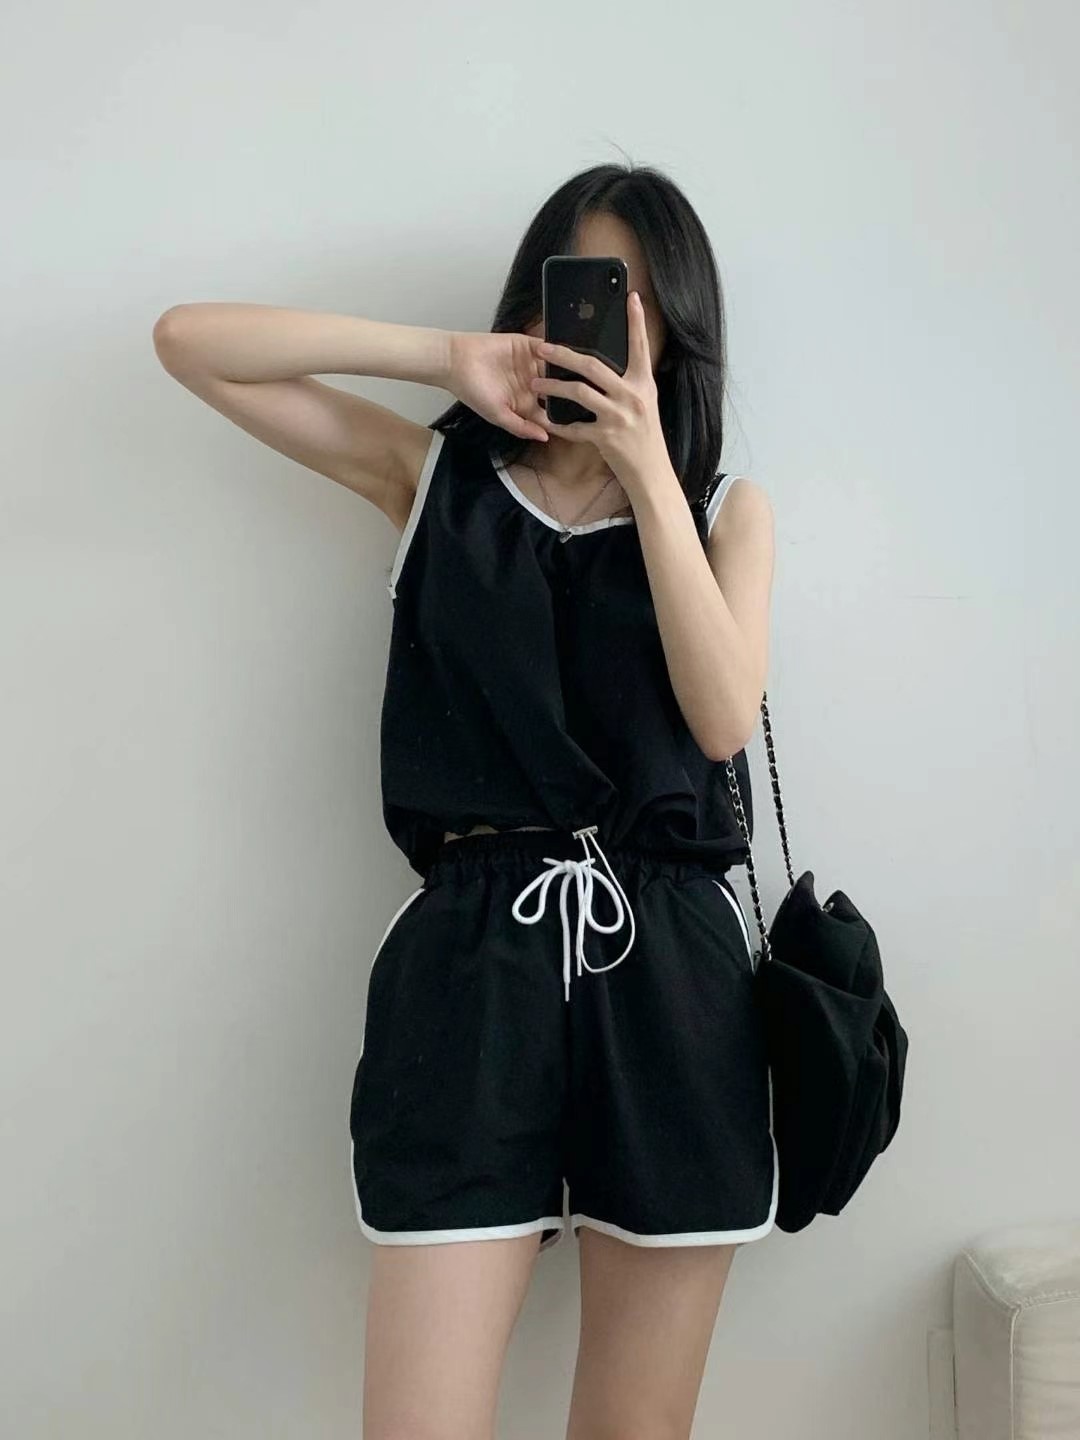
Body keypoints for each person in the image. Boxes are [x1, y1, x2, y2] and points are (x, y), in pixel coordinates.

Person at [153, 161, 777, 1440]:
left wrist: (646, 469)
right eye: (579, 288)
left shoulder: (727, 512)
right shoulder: (434, 480)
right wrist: (443, 357)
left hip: (671, 979)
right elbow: (189, 344)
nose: (600, 325)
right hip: (473, 966)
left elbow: (719, 719)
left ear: (677, 326)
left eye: (634, 299)